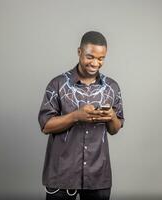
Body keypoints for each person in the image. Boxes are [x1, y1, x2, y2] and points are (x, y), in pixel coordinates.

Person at [38, 31, 124, 200]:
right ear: (79, 52)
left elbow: (114, 129)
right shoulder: (57, 84)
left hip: (98, 175)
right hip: (61, 175)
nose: (95, 63)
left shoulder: (111, 87)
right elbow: (45, 125)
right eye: (90, 57)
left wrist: (112, 116)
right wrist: (76, 116)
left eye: (101, 59)